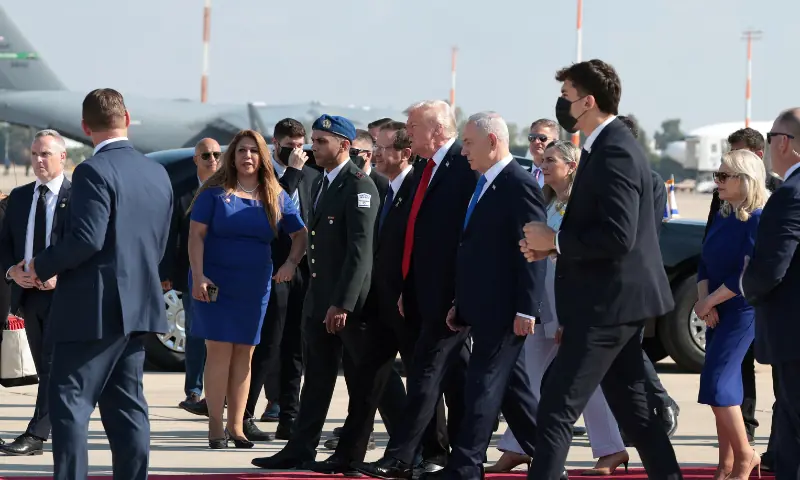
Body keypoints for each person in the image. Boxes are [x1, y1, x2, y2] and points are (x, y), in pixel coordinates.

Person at [520, 60, 681, 480]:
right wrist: (553, 250)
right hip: (610, 302)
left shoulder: (615, 151)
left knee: (555, 406)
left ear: (588, 101)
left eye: (568, 96)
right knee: (637, 413)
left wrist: (553, 241)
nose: (562, 103)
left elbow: (618, 236)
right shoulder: (602, 146)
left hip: (607, 306)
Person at [27, 88, 173, 480]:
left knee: (70, 401)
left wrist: (39, 265)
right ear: (127, 118)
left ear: (84, 127)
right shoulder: (156, 171)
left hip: (93, 309)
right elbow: (159, 241)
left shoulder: (92, 171)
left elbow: (88, 239)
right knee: (127, 407)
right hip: (138, 305)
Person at [487, 140, 629, 477]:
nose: (544, 165)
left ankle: (612, 450)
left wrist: (571, 314)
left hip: (571, 306)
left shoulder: (585, 205)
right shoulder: (546, 202)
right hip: (540, 304)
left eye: (552, 160)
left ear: (572, 165)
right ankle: (518, 446)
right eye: (543, 160)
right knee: (528, 375)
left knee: (585, 382)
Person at [420, 112, 547, 480]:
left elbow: (533, 250)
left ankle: (466, 467)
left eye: (470, 144)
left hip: (506, 309)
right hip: (483, 305)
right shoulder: (486, 183)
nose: (463, 152)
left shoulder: (517, 184)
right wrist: (462, 301)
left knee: (482, 387)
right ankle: (549, 459)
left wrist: (527, 307)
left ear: (493, 142)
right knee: (512, 390)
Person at [353, 100, 475, 480]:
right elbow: (417, 236)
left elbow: (464, 237)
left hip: (451, 296)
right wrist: (409, 286)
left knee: (433, 376)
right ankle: (456, 456)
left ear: (435, 128)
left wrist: (459, 294)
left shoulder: (461, 165)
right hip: (423, 292)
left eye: (412, 124)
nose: (408, 131)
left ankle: (407, 456)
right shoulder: (427, 167)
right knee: (453, 378)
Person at [252, 114, 379, 470]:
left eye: (322, 141)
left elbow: (360, 252)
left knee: (364, 383)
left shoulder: (359, 187)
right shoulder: (324, 182)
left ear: (344, 145)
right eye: (315, 139)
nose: (313, 147)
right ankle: (300, 447)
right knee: (317, 380)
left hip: (344, 305)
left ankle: (366, 452)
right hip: (320, 300)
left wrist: (343, 303)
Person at [187, 129, 307, 449]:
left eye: (254, 151)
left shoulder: (275, 195)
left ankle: (237, 427)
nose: (247, 156)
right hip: (214, 282)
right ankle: (215, 428)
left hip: (254, 285)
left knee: (245, 354)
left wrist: (290, 264)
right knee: (219, 354)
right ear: (233, 155)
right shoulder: (214, 192)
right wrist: (198, 275)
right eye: (241, 150)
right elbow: (196, 235)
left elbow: (300, 235)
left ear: (263, 156)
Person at [246, 118, 319, 438]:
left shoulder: (311, 176)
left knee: (295, 347)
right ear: (275, 144)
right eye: (289, 147)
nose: (296, 152)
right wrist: (290, 172)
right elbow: (271, 214)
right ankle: (244, 412)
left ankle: (290, 416)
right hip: (270, 270)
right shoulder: (263, 177)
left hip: (303, 271)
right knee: (267, 345)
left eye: (301, 147)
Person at [0, 130, 72, 456]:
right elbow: (4, 245)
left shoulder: (79, 197)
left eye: (45, 154)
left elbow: (88, 246)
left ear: (62, 158)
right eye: (34, 154)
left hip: (66, 295)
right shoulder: (19, 197)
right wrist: (11, 271)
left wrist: (61, 273)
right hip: (29, 297)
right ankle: (55, 428)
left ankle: (37, 434)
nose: (39, 160)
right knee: (47, 368)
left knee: (55, 365)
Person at [695, 149, 765, 480]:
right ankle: (726, 463)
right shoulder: (724, 215)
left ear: (745, 179)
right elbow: (704, 263)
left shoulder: (758, 219)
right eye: (717, 176)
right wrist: (704, 301)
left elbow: (745, 274)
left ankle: (746, 455)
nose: (717, 182)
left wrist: (708, 302)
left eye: (724, 176)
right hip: (715, 309)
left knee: (717, 383)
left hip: (740, 310)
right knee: (723, 386)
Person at [741, 107, 800, 480]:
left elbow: (772, 267)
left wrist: (747, 281)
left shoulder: (790, 195)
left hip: (793, 332)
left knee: (794, 425)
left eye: (769, 138)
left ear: (783, 143)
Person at [616, 114, 680, 442]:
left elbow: (643, 233)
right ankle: (637, 418)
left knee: (626, 349)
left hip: (634, 280)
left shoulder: (647, 179)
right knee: (623, 351)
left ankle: (659, 404)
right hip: (620, 281)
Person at [161, 138, 221, 417]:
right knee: (196, 333)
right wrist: (166, 273)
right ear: (196, 159)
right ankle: (194, 390)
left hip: (224, 273)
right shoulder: (182, 194)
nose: (212, 159)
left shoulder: (230, 190)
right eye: (206, 155)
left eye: (216, 155)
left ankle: (217, 390)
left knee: (220, 335)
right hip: (192, 274)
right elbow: (170, 236)